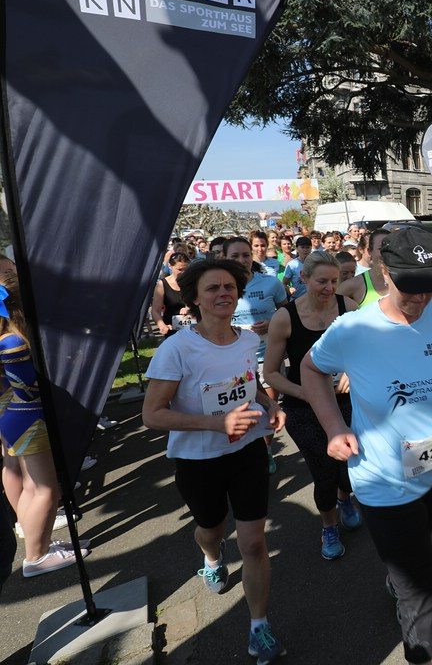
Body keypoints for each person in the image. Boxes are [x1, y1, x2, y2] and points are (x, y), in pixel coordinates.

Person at [301, 228, 432, 665]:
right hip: (380, 477)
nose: (420, 299)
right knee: (423, 592)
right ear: (384, 273)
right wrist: (334, 427)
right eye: (410, 288)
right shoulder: (354, 327)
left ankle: (399, 575)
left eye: (428, 287)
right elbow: (310, 369)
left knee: (419, 544)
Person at [142, 258, 287, 664]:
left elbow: (249, 385)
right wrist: (216, 422)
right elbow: (152, 415)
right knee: (211, 528)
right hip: (198, 461)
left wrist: (268, 405)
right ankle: (210, 556)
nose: (224, 294)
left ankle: (259, 627)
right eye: (213, 289)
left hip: (248, 453)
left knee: (254, 541)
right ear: (194, 299)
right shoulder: (177, 348)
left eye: (230, 287)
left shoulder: (245, 340)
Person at [264, 252, 361, 560]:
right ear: (303, 279)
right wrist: (307, 392)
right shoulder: (285, 317)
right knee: (323, 470)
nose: (330, 287)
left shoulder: (350, 309)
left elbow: (367, 353)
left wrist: (351, 370)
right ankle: (329, 526)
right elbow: (270, 374)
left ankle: (345, 499)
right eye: (322, 281)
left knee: (350, 464)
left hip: (347, 400)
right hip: (303, 408)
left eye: (335, 281)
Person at [0, 274, 89, 577]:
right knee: (45, 491)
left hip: (19, 416)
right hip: (28, 418)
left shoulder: (10, 338)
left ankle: (39, 543)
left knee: (31, 486)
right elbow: (29, 386)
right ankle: (36, 557)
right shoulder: (13, 342)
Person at [225, 237, 288, 474]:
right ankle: (244, 453)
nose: (242, 260)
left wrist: (272, 322)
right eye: (235, 256)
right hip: (235, 358)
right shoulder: (222, 285)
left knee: (268, 410)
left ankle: (267, 451)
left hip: (268, 355)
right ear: (225, 258)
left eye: (245, 255)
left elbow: (286, 310)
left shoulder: (271, 283)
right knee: (243, 408)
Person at [338, 229, 390, 308]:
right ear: (369, 251)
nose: (386, 252)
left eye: (390, 247)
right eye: (380, 248)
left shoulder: (408, 280)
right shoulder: (354, 285)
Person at [152, 251, 193, 337]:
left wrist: (189, 307)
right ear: (170, 266)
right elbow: (155, 310)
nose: (184, 272)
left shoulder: (194, 282)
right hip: (172, 329)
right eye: (180, 269)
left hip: (194, 328)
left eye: (186, 269)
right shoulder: (162, 284)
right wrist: (162, 325)